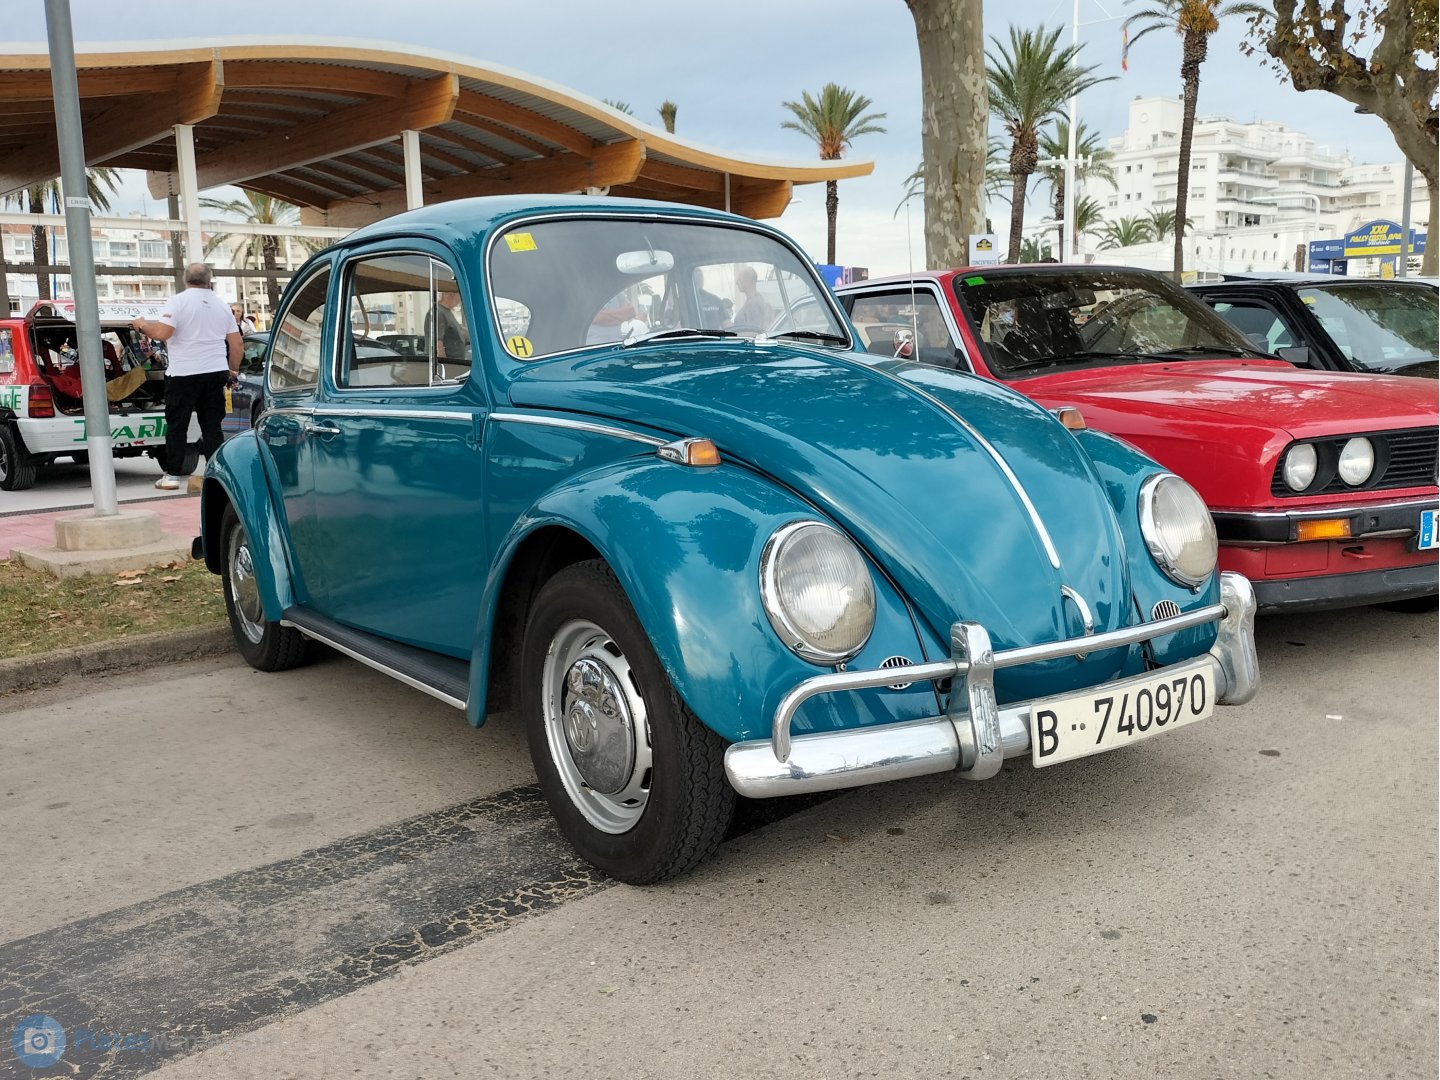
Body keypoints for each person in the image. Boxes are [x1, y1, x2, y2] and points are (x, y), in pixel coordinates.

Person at [132, 263, 241, 490]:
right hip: (215, 372)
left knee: (177, 425)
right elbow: (237, 343)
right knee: (212, 427)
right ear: (209, 281)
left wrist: (142, 326)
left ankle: (172, 476)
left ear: (185, 279)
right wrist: (232, 370)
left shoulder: (177, 301)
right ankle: (215, 475)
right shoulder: (222, 306)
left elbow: (162, 333)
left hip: (183, 373)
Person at [731, 265, 773, 329]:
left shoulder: (753, 304)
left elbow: (755, 332)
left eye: (739, 279)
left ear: (747, 281)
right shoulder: (755, 300)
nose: (736, 283)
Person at [432, 289, 469, 359]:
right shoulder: (438, 312)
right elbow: (438, 345)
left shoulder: (447, 312)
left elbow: (459, 331)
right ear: (449, 294)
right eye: (459, 295)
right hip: (450, 365)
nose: (460, 300)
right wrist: (444, 364)